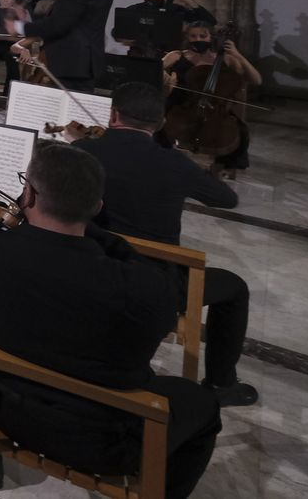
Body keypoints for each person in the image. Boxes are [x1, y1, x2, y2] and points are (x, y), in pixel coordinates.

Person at [0, 143, 222, 499]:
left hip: (9, 414)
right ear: (97, 208)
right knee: (202, 404)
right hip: (106, 445)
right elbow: (138, 269)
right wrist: (89, 227)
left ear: (28, 194)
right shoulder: (144, 291)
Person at [69, 83, 257, 407]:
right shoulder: (174, 162)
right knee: (235, 288)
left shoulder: (84, 149)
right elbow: (226, 199)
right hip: (154, 282)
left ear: (113, 115)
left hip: (93, 265)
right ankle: (221, 383)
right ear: (160, 123)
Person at [160, 21, 261, 170]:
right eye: (193, 36)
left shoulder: (225, 58)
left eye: (203, 36)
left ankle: (219, 166)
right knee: (158, 124)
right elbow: (152, 70)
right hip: (180, 104)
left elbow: (256, 80)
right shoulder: (176, 55)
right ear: (187, 37)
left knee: (241, 131)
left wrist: (237, 54)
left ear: (210, 37)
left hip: (215, 107)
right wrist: (165, 78)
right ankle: (162, 159)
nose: (198, 39)